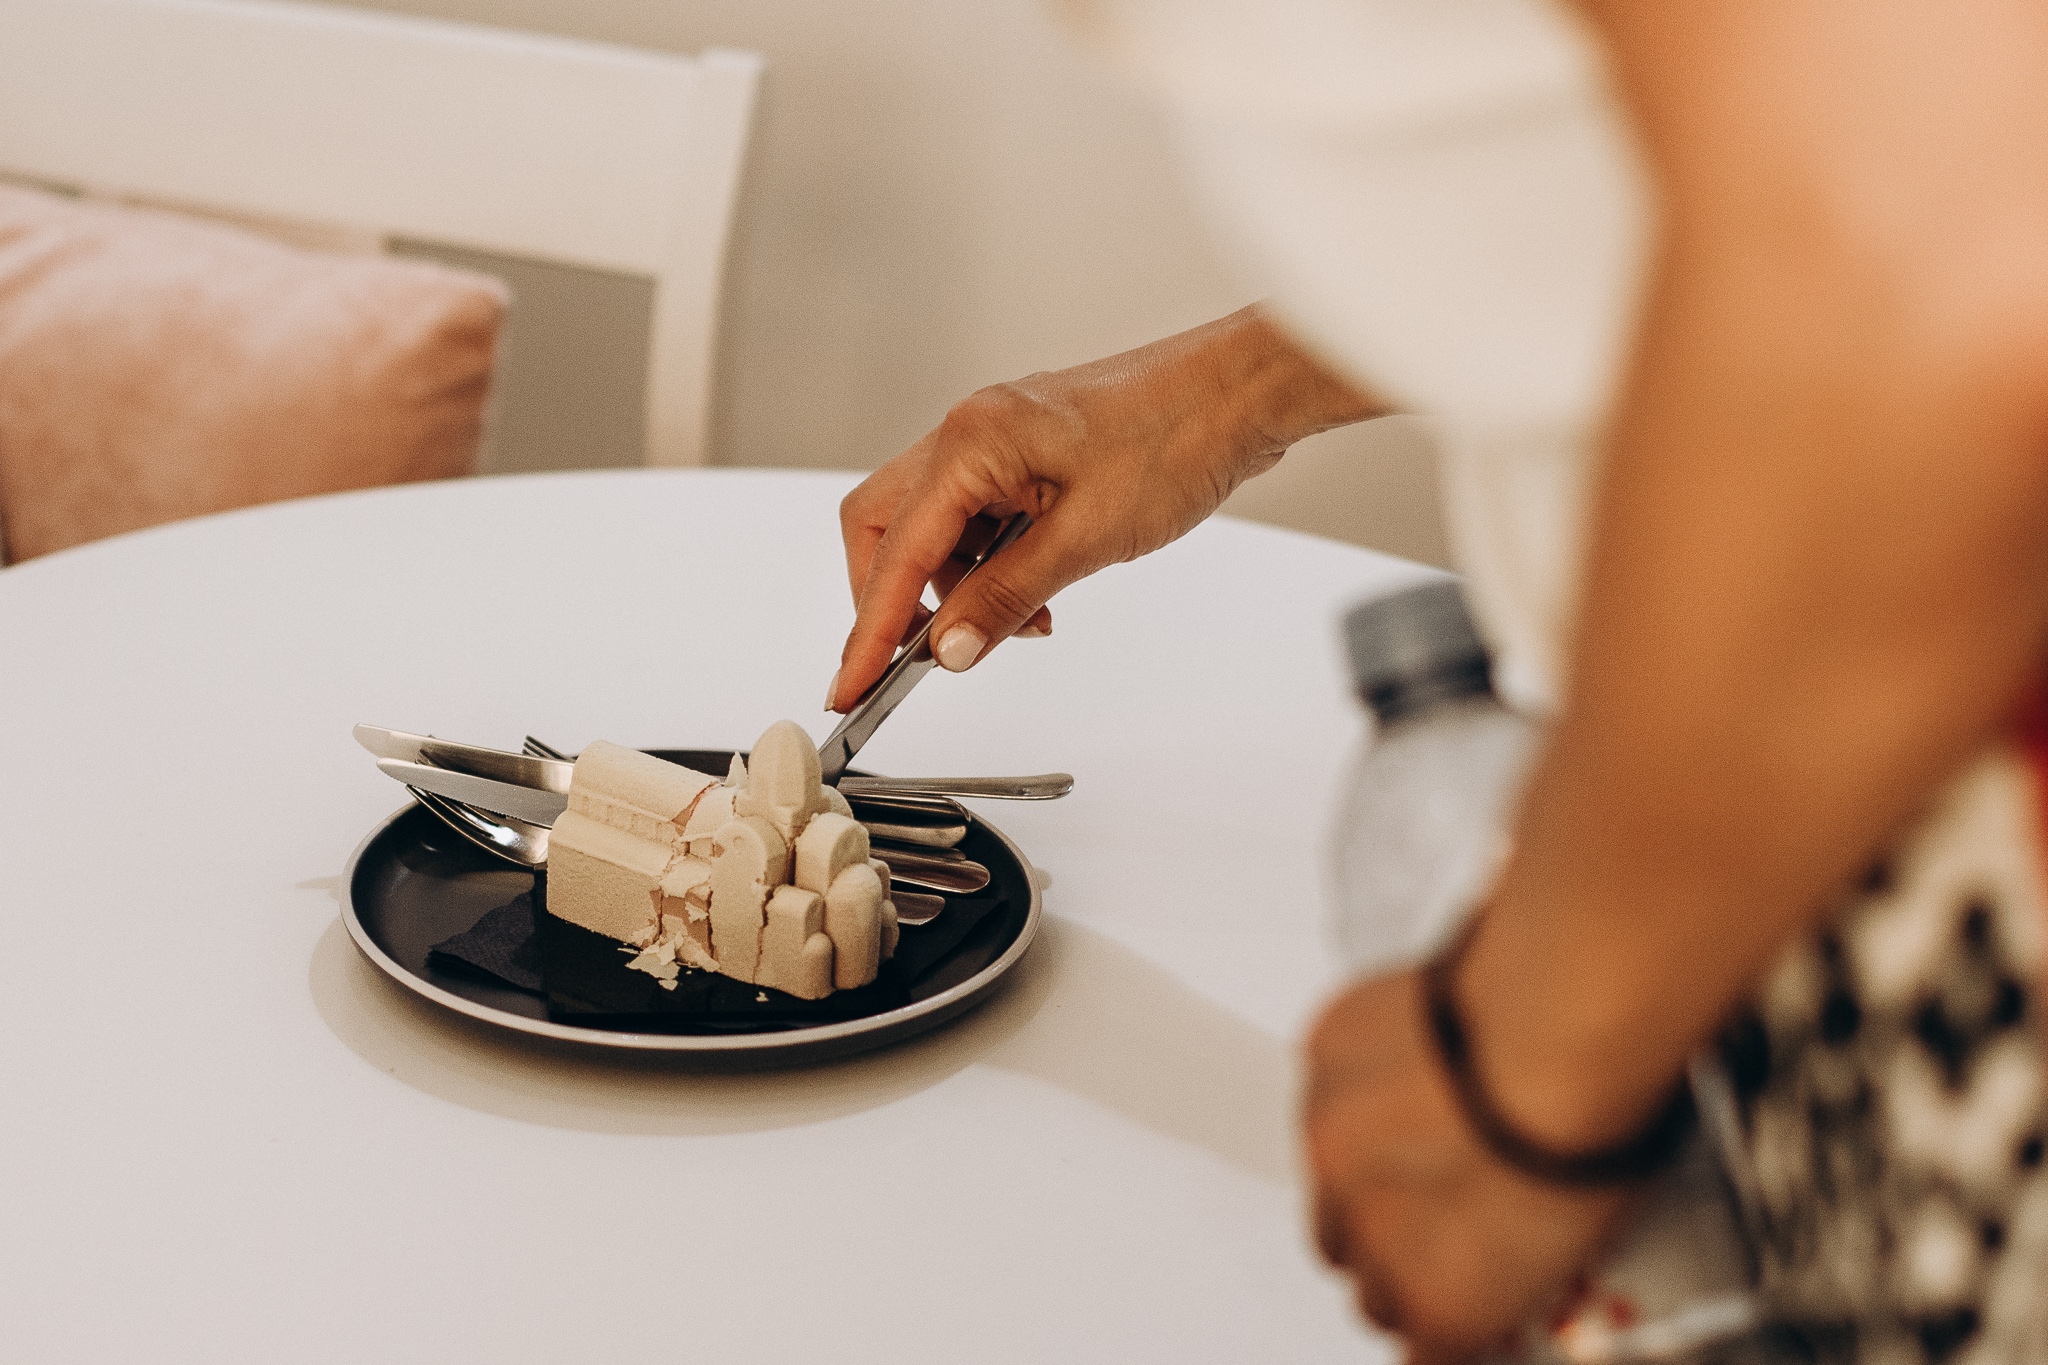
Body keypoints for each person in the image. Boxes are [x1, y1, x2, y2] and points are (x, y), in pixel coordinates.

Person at [828, 2, 2048, 1361]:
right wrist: (1217, 401)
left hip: (1963, 906)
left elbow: (1945, 269)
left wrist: (1524, 1076)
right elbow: (1726, 175)